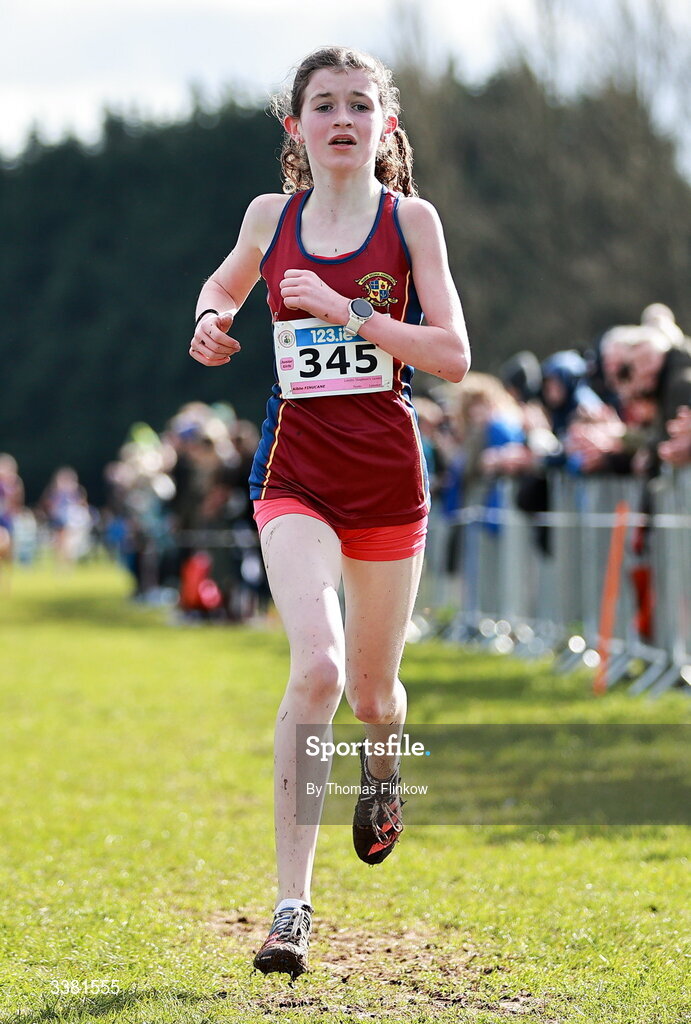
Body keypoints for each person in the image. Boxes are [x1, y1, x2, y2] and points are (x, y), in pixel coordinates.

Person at [188, 45, 470, 981]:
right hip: (296, 472)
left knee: (373, 698)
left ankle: (384, 773)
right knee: (317, 669)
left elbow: (453, 355)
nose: (341, 119)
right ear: (296, 128)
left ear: (385, 125)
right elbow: (226, 283)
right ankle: (290, 907)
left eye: (359, 104)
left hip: (387, 479)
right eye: (323, 105)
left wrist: (351, 315)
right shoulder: (272, 217)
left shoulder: (411, 220)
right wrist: (211, 319)